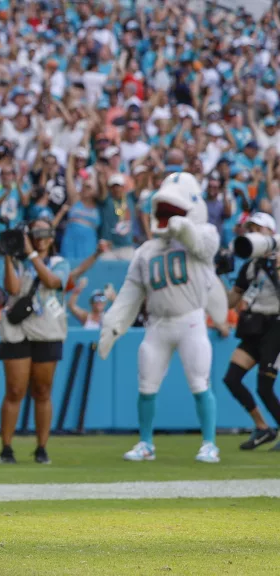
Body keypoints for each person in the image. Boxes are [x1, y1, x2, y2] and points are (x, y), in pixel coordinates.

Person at [99, 172, 230, 464]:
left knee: (199, 383)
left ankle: (209, 443)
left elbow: (202, 245)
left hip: (191, 320)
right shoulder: (146, 251)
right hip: (157, 323)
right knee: (146, 384)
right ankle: (146, 443)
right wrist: (114, 322)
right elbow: (130, 293)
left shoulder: (205, 233)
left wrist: (183, 228)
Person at [0, 217, 69, 465]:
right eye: (33, 233)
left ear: (50, 238)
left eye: (42, 233)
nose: (38, 238)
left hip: (48, 329)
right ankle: (6, 448)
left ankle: (42, 447)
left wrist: (30, 254)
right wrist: (8, 255)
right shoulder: (18, 259)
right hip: (18, 330)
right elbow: (13, 289)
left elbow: (52, 282)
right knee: (15, 390)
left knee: (42, 391)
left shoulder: (60, 262)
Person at [221, 212, 280, 451]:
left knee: (264, 386)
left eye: (259, 229)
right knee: (232, 379)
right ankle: (263, 427)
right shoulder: (251, 265)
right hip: (255, 327)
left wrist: (275, 268)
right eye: (251, 229)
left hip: (276, 327)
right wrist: (218, 276)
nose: (254, 234)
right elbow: (230, 301)